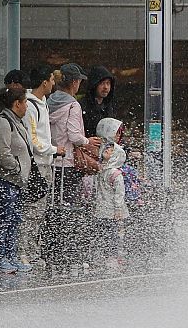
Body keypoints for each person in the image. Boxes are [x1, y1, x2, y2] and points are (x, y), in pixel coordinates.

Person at [18, 65, 66, 266]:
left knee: (39, 212)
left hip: (46, 165)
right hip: (36, 166)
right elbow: (34, 140)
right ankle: (22, 252)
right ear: (44, 82)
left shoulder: (42, 103)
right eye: (51, 80)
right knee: (31, 211)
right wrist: (54, 149)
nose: (54, 84)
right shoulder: (30, 106)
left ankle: (31, 250)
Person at [48, 63, 101, 205]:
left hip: (50, 160)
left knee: (52, 203)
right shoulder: (73, 105)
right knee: (67, 205)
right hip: (67, 161)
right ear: (74, 82)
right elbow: (74, 136)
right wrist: (88, 141)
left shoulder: (49, 102)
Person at [0, 88, 34, 273]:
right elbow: (2, 153)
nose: (27, 106)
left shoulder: (18, 121)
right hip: (7, 181)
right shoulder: (3, 122)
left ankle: (11, 255)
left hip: (18, 182)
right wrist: (17, 168)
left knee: (15, 220)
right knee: (5, 219)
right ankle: (1, 256)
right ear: (16, 103)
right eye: (25, 102)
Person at [93, 117, 129, 269]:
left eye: (111, 150)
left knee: (113, 234)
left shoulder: (114, 173)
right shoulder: (103, 169)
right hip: (102, 209)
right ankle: (103, 255)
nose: (107, 150)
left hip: (112, 211)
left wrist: (119, 209)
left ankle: (113, 255)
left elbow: (119, 194)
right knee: (103, 233)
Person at [80, 65, 117, 138]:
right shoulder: (82, 106)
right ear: (94, 85)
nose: (106, 87)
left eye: (108, 83)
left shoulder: (110, 106)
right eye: (102, 83)